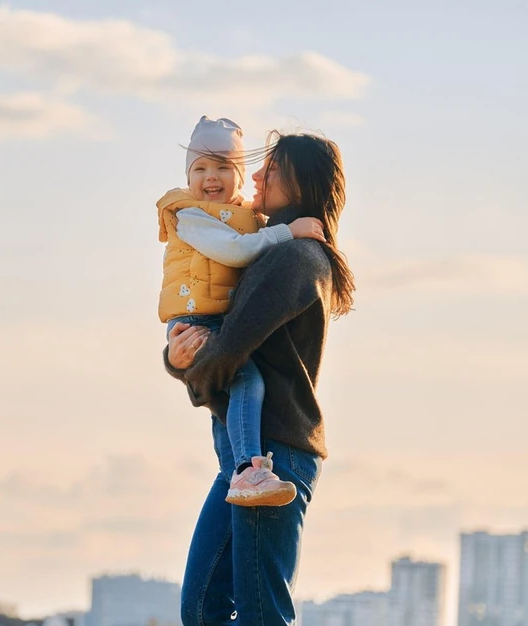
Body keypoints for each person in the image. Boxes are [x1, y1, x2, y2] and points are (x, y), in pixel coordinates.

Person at [164, 131, 355, 625]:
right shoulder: (271, 250)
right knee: (203, 609)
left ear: (299, 182)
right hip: (247, 458)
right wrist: (179, 357)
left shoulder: (293, 257)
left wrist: (186, 370)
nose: (253, 176)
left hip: (273, 456)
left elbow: (231, 346)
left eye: (270, 169)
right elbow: (221, 341)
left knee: (260, 614)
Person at [158, 116, 325, 506]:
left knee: (239, 387)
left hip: (215, 325)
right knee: (246, 381)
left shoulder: (276, 242)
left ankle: (241, 471)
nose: (210, 177)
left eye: (222, 167)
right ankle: (247, 468)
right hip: (195, 318)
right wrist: (288, 230)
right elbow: (234, 251)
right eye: (199, 169)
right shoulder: (190, 215)